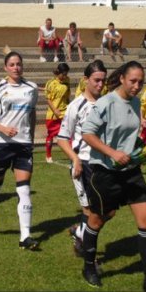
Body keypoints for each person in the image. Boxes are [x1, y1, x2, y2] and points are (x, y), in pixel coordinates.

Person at [80, 61, 146, 291]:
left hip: (131, 172)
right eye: (133, 81)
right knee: (98, 219)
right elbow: (87, 134)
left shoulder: (136, 101)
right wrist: (112, 152)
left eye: (141, 82)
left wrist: (139, 150)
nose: (137, 86)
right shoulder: (106, 103)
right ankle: (89, 266)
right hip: (105, 173)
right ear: (121, 78)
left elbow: (130, 133)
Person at [0, 51, 40, 250]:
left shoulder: (31, 88)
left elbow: (31, 113)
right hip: (1, 144)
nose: (16, 68)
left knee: (24, 189)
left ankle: (25, 236)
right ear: (5, 67)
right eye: (12, 64)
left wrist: (30, 139)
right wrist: (4, 129)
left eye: (19, 64)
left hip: (23, 146)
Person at [57, 60, 107, 256]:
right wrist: (75, 160)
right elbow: (61, 139)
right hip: (83, 164)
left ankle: (79, 231)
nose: (100, 85)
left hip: (104, 164)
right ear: (86, 80)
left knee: (108, 211)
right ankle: (89, 258)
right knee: (90, 212)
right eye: (96, 80)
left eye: (103, 81)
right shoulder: (76, 106)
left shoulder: (107, 103)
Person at [45, 63, 71, 163]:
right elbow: (48, 99)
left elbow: (67, 96)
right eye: (63, 74)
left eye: (66, 74)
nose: (65, 76)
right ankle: (48, 155)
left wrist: (69, 106)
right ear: (58, 73)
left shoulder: (67, 80)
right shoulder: (50, 83)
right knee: (51, 135)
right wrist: (54, 110)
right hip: (53, 114)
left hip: (65, 112)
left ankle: (70, 154)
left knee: (68, 133)